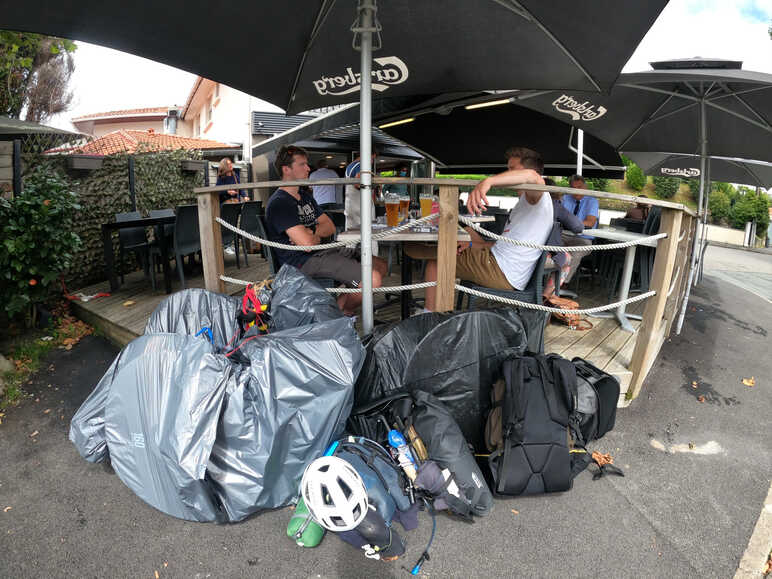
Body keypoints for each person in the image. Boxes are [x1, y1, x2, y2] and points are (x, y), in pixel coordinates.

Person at [406, 146, 551, 311]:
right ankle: (415, 247)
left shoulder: (538, 196)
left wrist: (487, 181)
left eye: (511, 168)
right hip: (500, 265)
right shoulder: (526, 201)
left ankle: (429, 318)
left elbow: (532, 176)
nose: (507, 171)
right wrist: (469, 245)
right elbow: (501, 247)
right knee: (465, 231)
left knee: (436, 261)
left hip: (502, 273)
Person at [265, 145, 387, 316]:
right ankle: (341, 312)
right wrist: (312, 236)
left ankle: (336, 309)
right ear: (287, 169)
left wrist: (311, 232)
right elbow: (306, 245)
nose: (308, 168)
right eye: (302, 165)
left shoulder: (305, 196)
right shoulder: (280, 203)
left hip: (324, 251)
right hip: (303, 263)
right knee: (372, 280)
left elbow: (329, 227)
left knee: (380, 264)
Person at [542, 179, 584, 298]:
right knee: (567, 258)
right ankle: (546, 294)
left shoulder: (524, 205)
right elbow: (578, 226)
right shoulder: (555, 206)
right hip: (540, 258)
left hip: (517, 253)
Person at [559, 174, 599, 282]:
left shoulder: (592, 201)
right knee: (548, 246)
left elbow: (590, 222)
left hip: (583, 238)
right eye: (573, 188)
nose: (576, 190)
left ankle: (560, 284)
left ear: (585, 188)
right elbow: (557, 217)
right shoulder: (565, 198)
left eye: (579, 187)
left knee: (575, 253)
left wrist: (569, 222)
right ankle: (543, 280)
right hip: (563, 235)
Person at [344, 151, 377, 230]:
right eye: (372, 159)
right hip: (361, 208)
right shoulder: (361, 165)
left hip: (350, 206)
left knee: (350, 236)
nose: (372, 162)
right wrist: (373, 185)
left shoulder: (350, 166)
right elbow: (357, 183)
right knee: (368, 235)